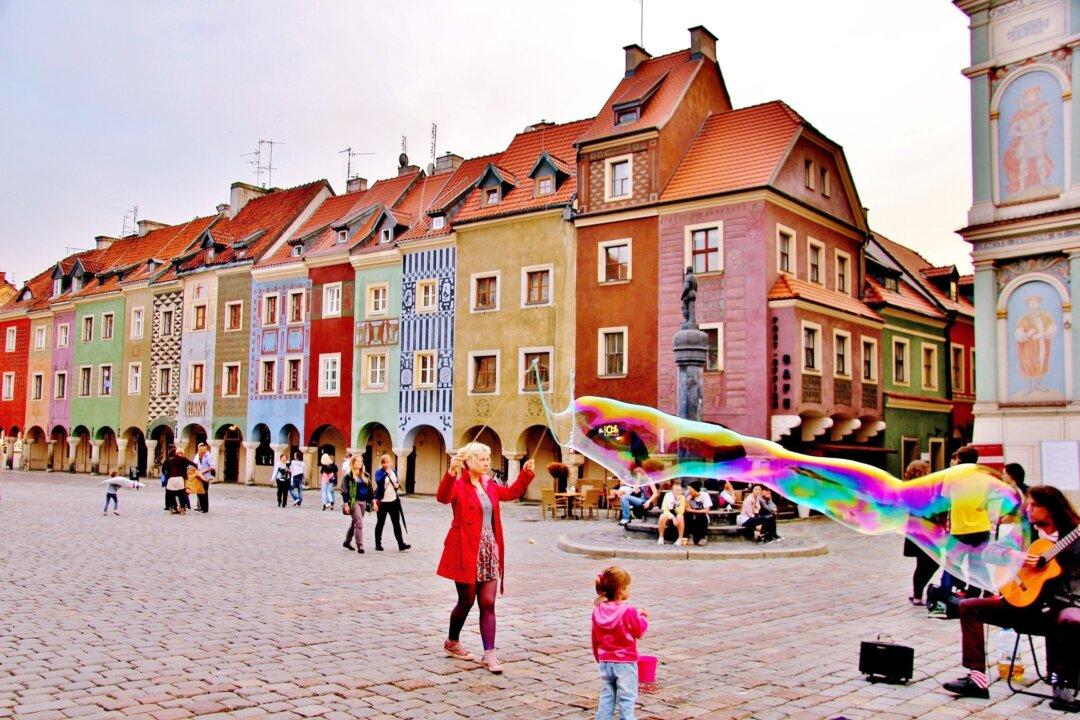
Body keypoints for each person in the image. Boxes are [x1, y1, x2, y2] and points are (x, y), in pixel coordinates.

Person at [943, 485, 1079, 711]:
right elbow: (989, 552)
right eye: (1029, 504)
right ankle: (977, 678)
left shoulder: (1074, 536)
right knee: (968, 606)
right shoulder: (1026, 532)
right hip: (1021, 605)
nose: (1028, 509)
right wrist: (1017, 556)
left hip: (1059, 607)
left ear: (1052, 509)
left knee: (1072, 620)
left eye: (1035, 505)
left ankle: (1063, 682)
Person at [437, 442, 535, 674]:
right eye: (482, 459)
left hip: (489, 550)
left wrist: (526, 473)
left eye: (488, 459)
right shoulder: (459, 485)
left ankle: (489, 654)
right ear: (469, 462)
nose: (487, 463)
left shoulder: (489, 485)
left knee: (488, 603)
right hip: (465, 549)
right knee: (467, 601)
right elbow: (442, 497)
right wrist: (451, 473)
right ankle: (452, 642)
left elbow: (511, 492)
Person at [592, 566, 649, 720]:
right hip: (625, 662)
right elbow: (639, 632)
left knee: (607, 696)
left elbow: (595, 637)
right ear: (620, 589)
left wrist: (599, 656)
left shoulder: (597, 610)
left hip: (605, 661)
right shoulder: (628, 611)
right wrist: (643, 617)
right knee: (627, 697)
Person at [901, 460, 939, 606]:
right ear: (922, 471)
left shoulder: (912, 488)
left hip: (917, 530)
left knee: (924, 564)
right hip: (924, 530)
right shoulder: (920, 489)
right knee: (929, 563)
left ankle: (916, 594)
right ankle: (917, 595)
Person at [374, 454, 410, 552]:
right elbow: (379, 482)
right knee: (380, 523)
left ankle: (401, 544)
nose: (385, 464)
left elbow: (396, 484)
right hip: (383, 501)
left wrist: (397, 485)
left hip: (393, 500)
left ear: (390, 462)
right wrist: (385, 474)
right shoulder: (379, 472)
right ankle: (378, 544)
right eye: (383, 462)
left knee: (396, 523)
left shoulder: (394, 471)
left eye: (387, 462)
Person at [340, 455, 372, 554]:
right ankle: (360, 545)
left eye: (361, 461)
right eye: (357, 461)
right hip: (354, 502)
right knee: (359, 523)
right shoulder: (348, 476)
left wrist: (373, 502)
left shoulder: (365, 475)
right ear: (353, 463)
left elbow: (370, 490)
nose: (359, 463)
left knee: (355, 523)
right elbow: (344, 491)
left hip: (363, 502)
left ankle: (347, 542)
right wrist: (346, 504)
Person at [162, 449, 196, 515]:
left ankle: (172, 508)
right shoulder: (182, 459)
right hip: (180, 479)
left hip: (171, 479)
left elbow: (163, 470)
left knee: (170, 494)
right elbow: (192, 464)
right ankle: (182, 509)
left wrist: (167, 474)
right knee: (181, 494)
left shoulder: (168, 460)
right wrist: (195, 468)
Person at [657, 482, 687, 546]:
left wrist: (677, 502)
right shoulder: (667, 495)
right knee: (662, 516)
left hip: (677, 513)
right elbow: (664, 508)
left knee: (680, 517)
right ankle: (661, 537)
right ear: (672, 491)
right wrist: (672, 517)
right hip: (668, 513)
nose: (679, 492)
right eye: (677, 490)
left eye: (680, 490)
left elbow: (681, 512)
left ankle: (680, 538)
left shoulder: (682, 497)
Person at [684, 480, 712, 546]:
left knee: (701, 514)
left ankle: (703, 537)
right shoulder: (687, 494)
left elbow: (706, 510)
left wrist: (693, 511)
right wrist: (687, 501)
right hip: (691, 517)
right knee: (687, 514)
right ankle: (690, 536)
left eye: (690, 489)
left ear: (695, 489)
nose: (688, 491)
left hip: (702, 519)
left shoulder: (704, 495)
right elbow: (687, 509)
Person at [194, 442, 215, 513]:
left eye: (201, 451)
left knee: (204, 492)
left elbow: (212, 466)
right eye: (199, 451)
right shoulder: (199, 455)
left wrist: (203, 471)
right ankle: (200, 507)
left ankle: (204, 509)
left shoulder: (208, 456)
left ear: (204, 450)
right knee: (199, 492)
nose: (200, 452)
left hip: (206, 477)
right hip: (199, 476)